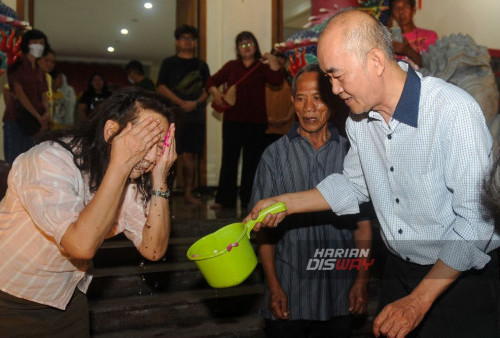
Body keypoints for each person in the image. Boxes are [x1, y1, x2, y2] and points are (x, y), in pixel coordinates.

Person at [247, 9, 499, 338]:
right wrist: (282, 203)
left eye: (338, 76)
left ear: (376, 61)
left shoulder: (453, 112)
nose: (334, 90)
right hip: (398, 272)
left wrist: (416, 303)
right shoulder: (359, 122)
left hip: (459, 279)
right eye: (328, 78)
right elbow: (354, 186)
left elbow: (475, 223)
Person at [0, 87, 177, 337]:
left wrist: (160, 180)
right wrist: (121, 162)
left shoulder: (132, 176)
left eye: (159, 146)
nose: (150, 157)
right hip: (12, 299)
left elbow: (154, 248)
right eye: (143, 142)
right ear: (110, 131)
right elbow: (80, 245)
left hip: (68, 298)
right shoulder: (48, 160)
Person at [252, 64, 373, 338]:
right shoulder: (274, 157)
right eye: (300, 98)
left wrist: (362, 281)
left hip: (339, 291)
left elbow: (363, 228)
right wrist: (273, 286)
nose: (309, 107)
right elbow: (264, 233)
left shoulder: (351, 155)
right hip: (290, 290)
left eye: (318, 97)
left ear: (332, 101)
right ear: (292, 102)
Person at [206, 31, 283, 209]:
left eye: (249, 43)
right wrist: (215, 93)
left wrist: (271, 59)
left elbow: (277, 80)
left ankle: (250, 198)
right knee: (229, 160)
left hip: (256, 123)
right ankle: (224, 200)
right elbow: (210, 80)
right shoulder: (231, 66)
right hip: (233, 121)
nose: (246, 47)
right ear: (237, 48)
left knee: (252, 163)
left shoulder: (261, 67)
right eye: (242, 44)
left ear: (255, 47)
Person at [157, 24, 210, 205]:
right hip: (173, 114)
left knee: (190, 155)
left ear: (195, 42)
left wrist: (194, 103)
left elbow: (208, 89)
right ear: (177, 42)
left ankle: (188, 192)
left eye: (191, 38)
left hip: (196, 115)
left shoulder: (202, 65)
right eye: (183, 38)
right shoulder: (168, 63)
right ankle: (165, 192)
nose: (187, 41)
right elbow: (161, 87)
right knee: (169, 153)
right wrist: (181, 103)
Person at [2, 29, 50, 164]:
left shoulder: (39, 69)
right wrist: (38, 116)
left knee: (28, 163)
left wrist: (46, 112)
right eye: (35, 42)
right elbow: (19, 93)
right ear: (27, 44)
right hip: (17, 120)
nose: (39, 46)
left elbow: (43, 94)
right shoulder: (18, 63)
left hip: (35, 124)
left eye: (41, 43)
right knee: (13, 163)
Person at [390, 0, 438, 68]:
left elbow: (433, 66)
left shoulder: (430, 36)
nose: (400, 11)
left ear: (414, 10)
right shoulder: (390, 40)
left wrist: (408, 51)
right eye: (396, 8)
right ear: (392, 15)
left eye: (405, 7)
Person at [264, 50, 295, 147]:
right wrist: (266, 118)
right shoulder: (264, 75)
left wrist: (286, 118)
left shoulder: (291, 77)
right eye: (276, 56)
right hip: (266, 127)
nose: (279, 60)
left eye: (282, 57)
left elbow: (297, 99)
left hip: (286, 126)